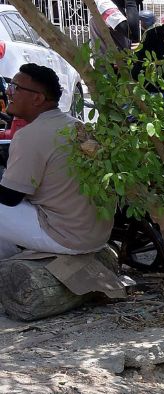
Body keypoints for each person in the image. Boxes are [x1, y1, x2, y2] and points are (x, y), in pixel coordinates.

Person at [0, 65, 109, 261]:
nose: (9, 91)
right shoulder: (76, 125)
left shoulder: (29, 136)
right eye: (10, 85)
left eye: (16, 87)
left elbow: (10, 198)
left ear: (38, 98)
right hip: (96, 235)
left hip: (66, 237)